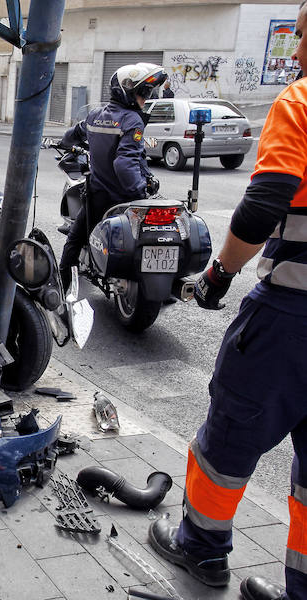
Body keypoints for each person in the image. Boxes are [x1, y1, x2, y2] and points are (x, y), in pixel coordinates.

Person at [147, 6, 307, 600]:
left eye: (301, 36)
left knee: (230, 436)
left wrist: (218, 275)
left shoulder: (300, 101)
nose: (293, 53)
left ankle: (201, 548)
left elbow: (265, 202)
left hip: (293, 318)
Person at [57, 63, 165, 290]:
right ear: (126, 92)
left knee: (74, 241)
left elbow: (71, 136)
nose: (145, 99)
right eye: (143, 93)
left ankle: (58, 292)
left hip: (97, 197)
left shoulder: (95, 115)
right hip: (123, 198)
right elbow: (125, 164)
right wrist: (140, 193)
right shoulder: (131, 120)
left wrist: (65, 144)